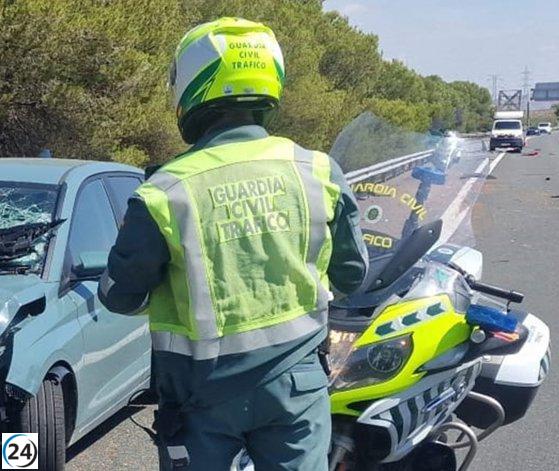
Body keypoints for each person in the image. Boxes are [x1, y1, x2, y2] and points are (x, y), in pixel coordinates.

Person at [98, 17, 368, 470]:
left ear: (190, 86)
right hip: (295, 388)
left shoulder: (164, 191)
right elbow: (351, 275)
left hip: (200, 397)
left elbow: (119, 296)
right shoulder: (318, 171)